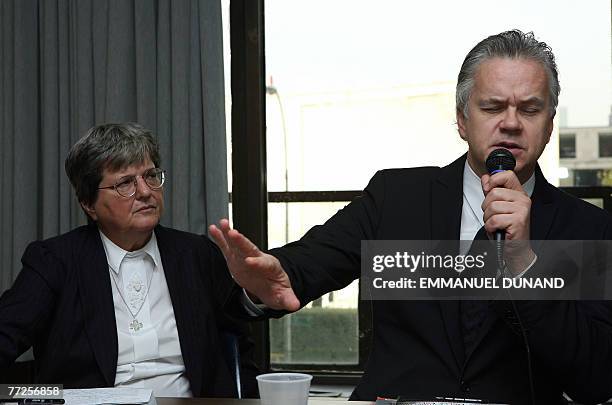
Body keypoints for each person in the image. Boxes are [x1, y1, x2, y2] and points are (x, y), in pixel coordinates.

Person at [210, 30, 612, 404]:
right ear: (461, 119)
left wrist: (525, 265)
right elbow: (306, 264)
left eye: (529, 109)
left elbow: (594, 381)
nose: (510, 122)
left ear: (548, 126)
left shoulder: (588, 228)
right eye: (491, 106)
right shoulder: (396, 197)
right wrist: (265, 284)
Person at [0, 123, 258, 398]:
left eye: (150, 176)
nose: (146, 192)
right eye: (125, 183)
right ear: (89, 204)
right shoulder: (55, 261)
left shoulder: (196, 255)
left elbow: (240, 342)